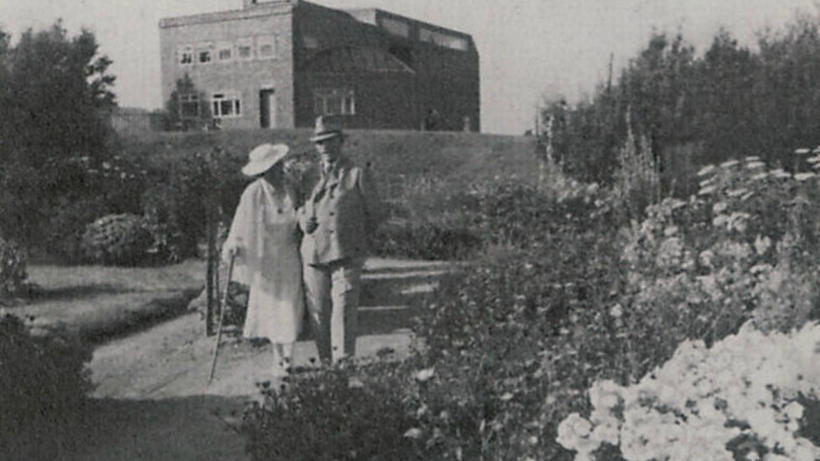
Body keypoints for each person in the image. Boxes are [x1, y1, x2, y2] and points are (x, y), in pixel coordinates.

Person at [298, 116, 383, 365]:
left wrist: (356, 237)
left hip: (346, 251)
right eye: (320, 142)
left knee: (344, 308)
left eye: (330, 141)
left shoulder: (357, 174)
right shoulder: (308, 176)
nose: (324, 147)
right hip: (313, 252)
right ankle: (326, 362)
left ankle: (343, 362)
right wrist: (302, 219)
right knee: (319, 313)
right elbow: (297, 206)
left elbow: (375, 212)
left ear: (340, 142)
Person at [222, 143, 304, 378]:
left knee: (290, 305)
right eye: (267, 172)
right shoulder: (253, 193)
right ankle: (278, 358)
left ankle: (288, 358)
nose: (274, 175)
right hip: (264, 259)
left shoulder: (291, 189)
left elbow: (299, 214)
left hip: (288, 255)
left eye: (276, 168)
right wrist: (234, 245)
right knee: (272, 309)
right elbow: (240, 224)